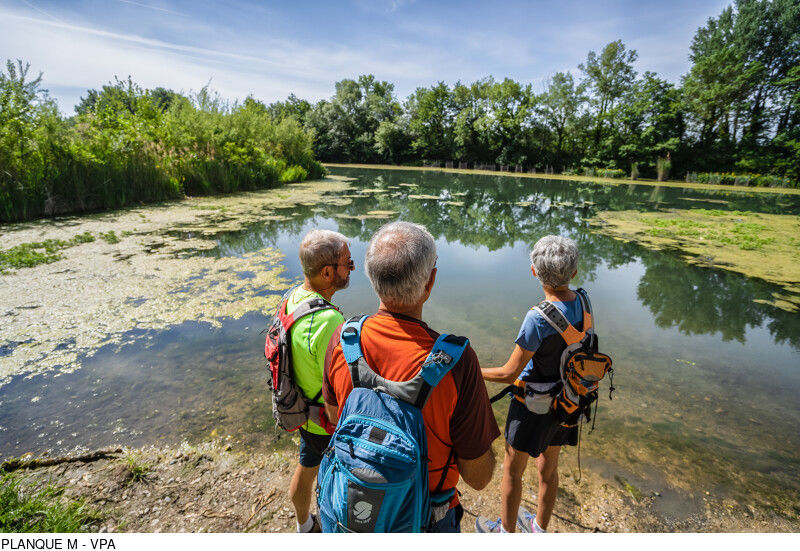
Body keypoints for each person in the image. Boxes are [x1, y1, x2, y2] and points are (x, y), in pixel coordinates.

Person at [321, 221, 499, 532]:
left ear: (372, 279)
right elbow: (479, 478)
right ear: (430, 282)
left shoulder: (343, 338)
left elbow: (336, 417)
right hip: (426, 521)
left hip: (349, 509)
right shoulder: (457, 362)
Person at [477, 235, 583, 533]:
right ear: (573, 272)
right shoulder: (584, 303)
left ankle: (507, 534)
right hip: (569, 402)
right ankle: (538, 529)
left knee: (512, 472)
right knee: (549, 470)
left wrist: (474, 369)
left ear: (533, 271)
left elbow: (509, 374)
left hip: (531, 408)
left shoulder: (537, 318)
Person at [286, 229, 353, 533]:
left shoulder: (293, 299)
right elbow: (343, 386)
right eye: (347, 263)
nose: (351, 268)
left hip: (301, 410)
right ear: (328, 272)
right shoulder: (330, 322)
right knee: (334, 480)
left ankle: (303, 526)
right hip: (325, 422)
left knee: (307, 465)